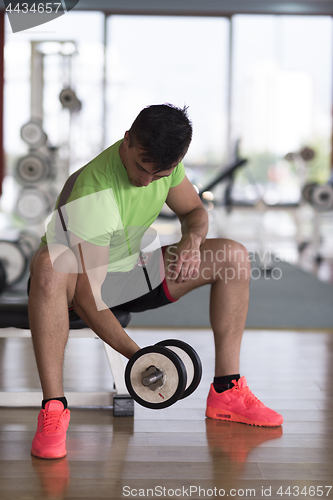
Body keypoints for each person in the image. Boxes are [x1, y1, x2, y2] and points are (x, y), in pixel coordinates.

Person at [28, 104, 283, 460]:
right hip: (74, 287)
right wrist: (143, 357)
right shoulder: (95, 191)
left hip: (127, 270)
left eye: (159, 175)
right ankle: (54, 408)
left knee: (233, 256)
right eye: (140, 168)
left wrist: (191, 242)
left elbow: (194, 211)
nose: (146, 181)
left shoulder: (168, 167)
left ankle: (227, 391)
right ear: (128, 140)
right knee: (50, 264)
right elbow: (90, 300)